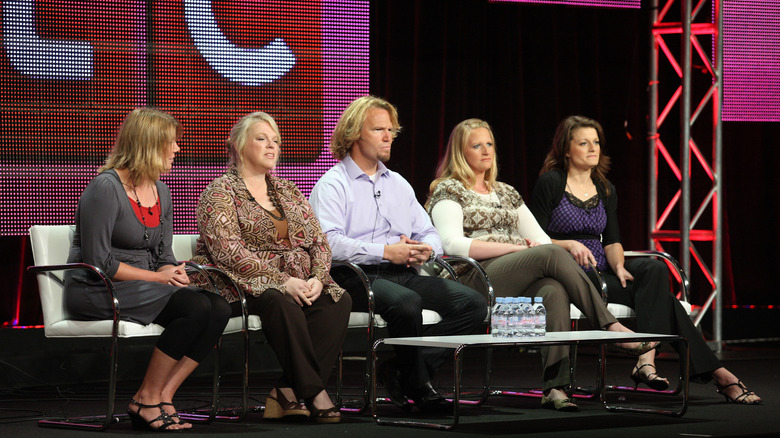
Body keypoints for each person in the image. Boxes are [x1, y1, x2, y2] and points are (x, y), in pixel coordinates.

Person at [426, 118, 657, 412]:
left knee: (553, 289)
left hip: (512, 275)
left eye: (490, 144)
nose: (486, 151)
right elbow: (452, 245)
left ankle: (555, 388)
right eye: (476, 146)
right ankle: (609, 325)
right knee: (550, 255)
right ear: (460, 152)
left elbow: (541, 239)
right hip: (472, 279)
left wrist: (529, 248)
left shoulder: (507, 192)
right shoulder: (450, 190)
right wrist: (514, 247)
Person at [530, 114, 761, 405]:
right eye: (583, 143)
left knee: (652, 267)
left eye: (597, 142)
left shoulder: (604, 187)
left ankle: (646, 358)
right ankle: (720, 375)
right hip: (569, 272)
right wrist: (568, 245)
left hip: (603, 271)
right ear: (566, 149)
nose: (593, 148)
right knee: (669, 303)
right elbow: (533, 238)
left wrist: (619, 267)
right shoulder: (551, 183)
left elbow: (613, 240)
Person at [308, 96, 487, 412]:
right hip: (352, 277)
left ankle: (403, 370)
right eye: (379, 129)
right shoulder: (333, 184)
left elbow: (430, 232)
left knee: (472, 303)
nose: (388, 137)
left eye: (391, 130)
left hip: (403, 273)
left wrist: (426, 249)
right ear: (354, 134)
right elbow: (329, 244)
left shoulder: (398, 184)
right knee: (407, 303)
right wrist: (386, 252)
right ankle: (419, 386)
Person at [64, 108, 232, 431]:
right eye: (171, 143)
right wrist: (159, 277)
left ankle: (162, 396)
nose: (177, 149)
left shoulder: (162, 192)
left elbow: (163, 254)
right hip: (97, 288)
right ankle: (146, 397)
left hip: (145, 286)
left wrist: (173, 271)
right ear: (149, 145)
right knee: (195, 307)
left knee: (218, 307)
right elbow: (100, 263)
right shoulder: (105, 188)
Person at [192, 112, 350, 423]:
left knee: (337, 299)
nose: (271, 146)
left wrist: (318, 278)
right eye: (262, 139)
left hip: (298, 278)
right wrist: (281, 280)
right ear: (238, 146)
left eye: (276, 140)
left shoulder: (288, 190)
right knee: (282, 301)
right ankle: (316, 392)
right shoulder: (221, 192)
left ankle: (286, 390)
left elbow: (318, 242)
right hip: (240, 281)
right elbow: (228, 251)